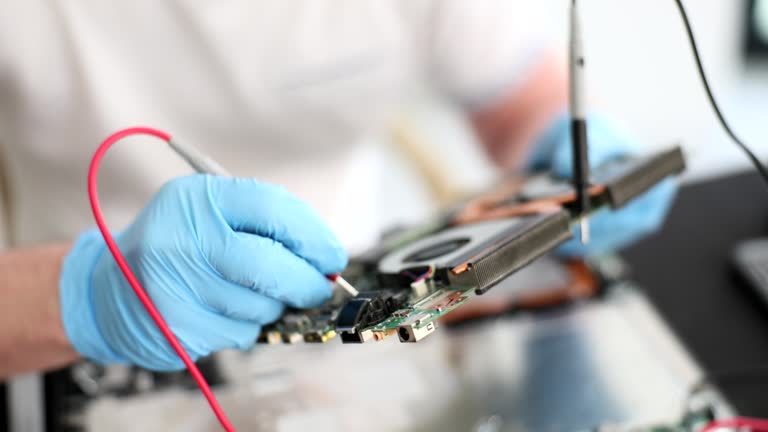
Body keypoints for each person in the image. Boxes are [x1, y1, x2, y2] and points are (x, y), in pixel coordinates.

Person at [0, 1, 676, 378]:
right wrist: (87, 295)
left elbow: (514, 100)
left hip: (348, 314)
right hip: (66, 337)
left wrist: (567, 157)